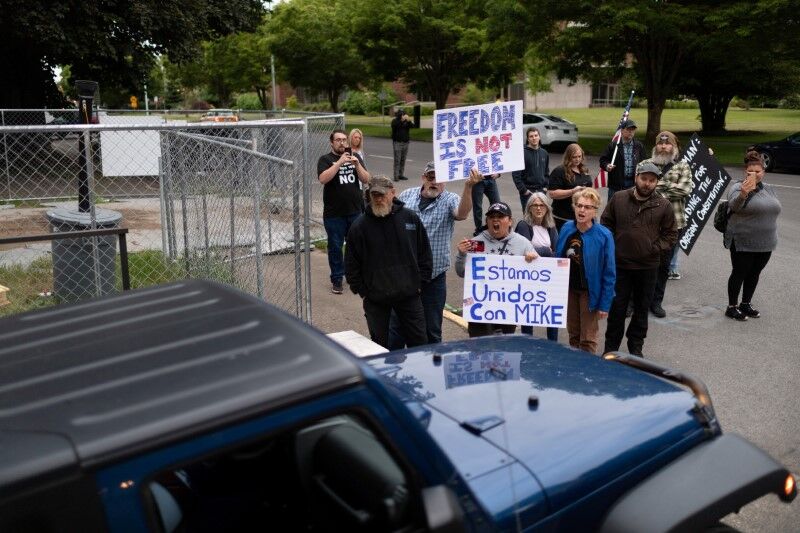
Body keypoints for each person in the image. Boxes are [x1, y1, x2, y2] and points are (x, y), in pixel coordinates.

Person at [388, 162, 483, 348]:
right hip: (405, 277)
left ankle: (431, 370)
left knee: (431, 330)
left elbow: (462, 213)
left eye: (439, 179)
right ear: (424, 178)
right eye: (431, 177)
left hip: (434, 278)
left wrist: (468, 186)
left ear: (445, 182)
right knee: (396, 328)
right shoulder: (407, 196)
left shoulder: (450, 200)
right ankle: (394, 369)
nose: (435, 182)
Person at [345, 176, 432, 348]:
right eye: (374, 195)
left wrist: (420, 283)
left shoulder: (410, 218)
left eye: (382, 195)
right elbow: (351, 264)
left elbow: (424, 253)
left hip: (409, 295)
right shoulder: (359, 226)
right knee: (379, 346)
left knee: (419, 342)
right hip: (376, 299)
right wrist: (363, 291)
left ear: (393, 193)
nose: (378, 199)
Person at [601, 161, 677, 357]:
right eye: (644, 179)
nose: (647, 183)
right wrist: (614, 246)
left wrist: (653, 249)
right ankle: (611, 348)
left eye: (652, 180)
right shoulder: (619, 198)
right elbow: (606, 223)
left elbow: (671, 235)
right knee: (617, 309)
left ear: (656, 182)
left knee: (642, 310)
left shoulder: (663, 205)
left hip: (648, 267)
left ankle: (636, 347)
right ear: (636, 178)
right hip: (620, 265)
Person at [455, 202, 537, 337]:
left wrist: (532, 260)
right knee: (479, 350)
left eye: (500, 216)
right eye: (491, 217)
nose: (495, 220)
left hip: (507, 309)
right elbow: (461, 272)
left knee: (504, 352)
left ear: (510, 221)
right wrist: (462, 254)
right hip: (480, 308)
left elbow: (538, 274)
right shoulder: (476, 243)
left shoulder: (523, 243)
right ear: (487, 221)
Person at [555, 188, 616, 354]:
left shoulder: (604, 235)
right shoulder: (567, 228)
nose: (582, 210)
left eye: (587, 207)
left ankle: (588, 372)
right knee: (573, 334)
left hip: (590, 293)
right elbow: (557, 257)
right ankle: (575, 370)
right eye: (579, 205)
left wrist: (605, 303)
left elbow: (609, 272)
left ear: (595, 211)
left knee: (588, 339)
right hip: (569, 290)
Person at [723, 151, 781, 321]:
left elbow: (775, 209)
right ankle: (732, 307)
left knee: (754, 273)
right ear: (745, 171)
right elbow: (733, 207)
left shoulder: (770, 189)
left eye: (758, 171)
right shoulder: (737, 187)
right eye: (751, 171)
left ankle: (745, 304)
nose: (755, 174)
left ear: (764, 171)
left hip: (766, 241)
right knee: (739, 273)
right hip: (743, 240)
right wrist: (743, 194)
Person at [645, 131, 693, 318]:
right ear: (656, 146)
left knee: (663, 266)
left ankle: (656, 302)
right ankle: (636, 301)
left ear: (674, 146)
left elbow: (684, 189)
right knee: (641, 263)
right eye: (660, 143)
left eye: (668, 144)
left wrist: (657, 189)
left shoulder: (682, 166)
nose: (664, 146)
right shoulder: (645, 165)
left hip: (674, 224)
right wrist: (665, 188)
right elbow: (641, 187)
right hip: (647, 223)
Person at [317, 129, 370, 294]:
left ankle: (354, 276)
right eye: (338, 140)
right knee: (335, 247)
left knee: (356, 246)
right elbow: (323, 179)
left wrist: (356, 164)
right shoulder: (325, 159)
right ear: (332, 143)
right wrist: (339, 162)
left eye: (344, 140)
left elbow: (367, 179)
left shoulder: (356, 157)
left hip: (355, 211)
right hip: (334, 214)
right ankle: (337, 279)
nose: (342, 143)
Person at [514, 192, 559, 342]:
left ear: (547, 208)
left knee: (550, 315)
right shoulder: (523, 225)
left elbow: (557, 251)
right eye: (535, 205)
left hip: (548, 278)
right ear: (529, 208)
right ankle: (528, 346)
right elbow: (524, 251)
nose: (539, 208)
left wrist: (541, 253)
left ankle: (553, 346)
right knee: (529, 315)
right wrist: (546, 251)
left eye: (542, 205)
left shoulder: (551, 227)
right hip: (529, 278)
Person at [548, 143, 593, 231]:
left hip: (580, 216)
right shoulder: (560, 171)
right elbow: (552, 194)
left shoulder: (584, 170)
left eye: (579, 156)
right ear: (568, 157)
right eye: (574, 157)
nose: (577, 159)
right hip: (562, 217)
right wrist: (572, 191)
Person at [599, 119, 645, 200]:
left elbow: (644, 162)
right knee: (613, 210)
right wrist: (607, 166)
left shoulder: (639, 146)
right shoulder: (613, 145)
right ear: (622, 130)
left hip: (633, 185)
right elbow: (603, 160)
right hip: (616, 186)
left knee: (630, 210)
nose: (631, 132)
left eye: (633, 130)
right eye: (628, 129)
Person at [512, 127, 549, 215]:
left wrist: (546, 187)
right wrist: (523, 190)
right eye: (531, 136)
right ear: (528, 139)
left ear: (539, 137)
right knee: (528, 217)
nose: (534, 138)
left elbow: (546, 172)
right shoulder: (522, 153)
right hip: (528, 192)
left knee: (541, 217)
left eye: (536, 135)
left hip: (541, 191)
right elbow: (516, 175)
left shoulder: (544, 153)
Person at [470, 171, 502, 235]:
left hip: (491, 179)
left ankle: (493, 225)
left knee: (497, 204)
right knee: (477, 206)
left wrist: (498, 173)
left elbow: (497, 161)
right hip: (477, 181)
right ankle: (479, 228)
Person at [390, 109, 413, 181]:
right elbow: (395, 126)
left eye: (403, 114)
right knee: (397, 160)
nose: (402, 115)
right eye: (401, 114)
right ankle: (396, 176)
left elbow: (413, 126)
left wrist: (409, 120)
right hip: (397, 143)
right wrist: (402, 120)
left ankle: (401, 175)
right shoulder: (394, 121)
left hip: (406, 143)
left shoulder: (407, 121)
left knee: (403, 160)